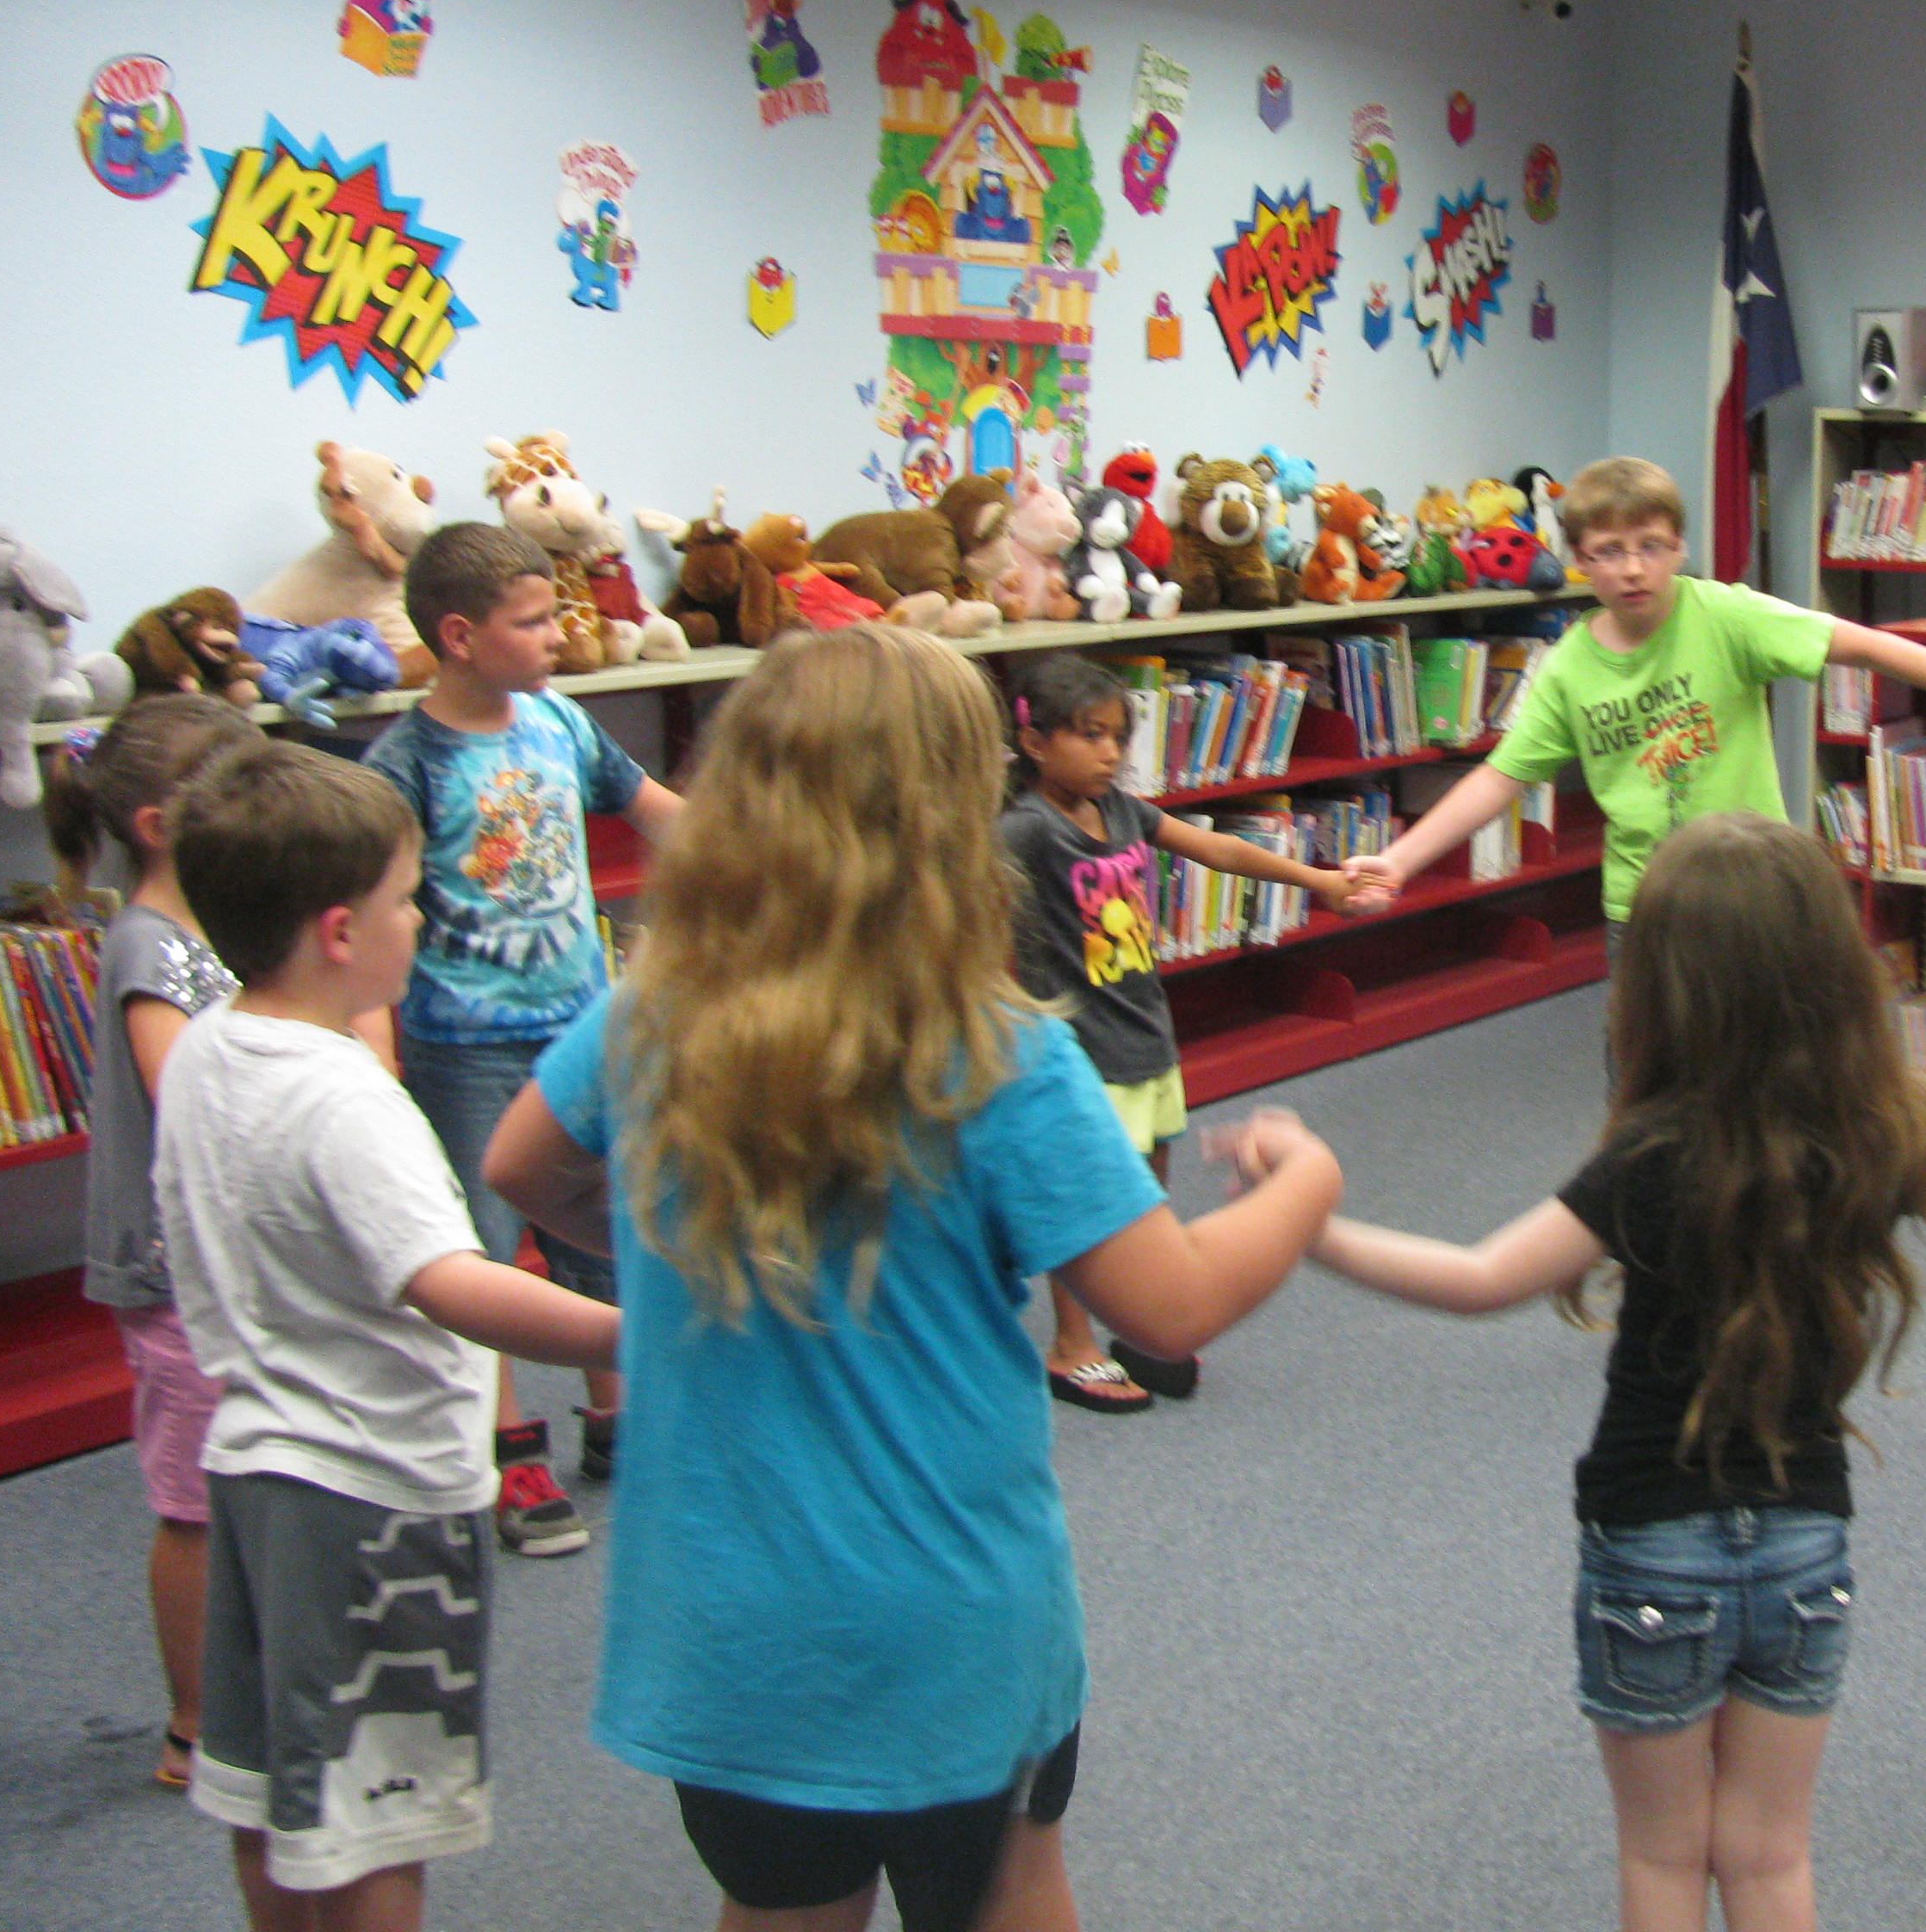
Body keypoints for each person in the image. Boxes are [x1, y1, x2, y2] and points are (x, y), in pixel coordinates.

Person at [480, 624, 1346, 1932]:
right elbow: (1171, 1306)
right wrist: (1307, 1181)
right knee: (1006, 1891)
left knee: (778, 1906)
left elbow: (521, 1170)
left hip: (727, 1619)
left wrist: (680, 1251)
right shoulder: (994, 1050)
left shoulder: (648, 1013)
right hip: (944, 1614)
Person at [1269, 811, 1926, 1932]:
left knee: (1663, 1858)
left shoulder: (1650, 1155)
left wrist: (1309, 1228)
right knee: (1769, 1856)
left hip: (1651, 1539)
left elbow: (1479, 1278)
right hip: (1805, 1545)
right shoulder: (1878, 1133)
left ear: (1657, 990)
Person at [155, 742, 620, 1932]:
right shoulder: (346, 1096)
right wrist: (643, 1335)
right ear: (338, 933)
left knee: (273, 1793)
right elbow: (451, 1283)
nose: (422, 919)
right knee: (381, 1823)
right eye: (408, 899)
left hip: (254, 1470)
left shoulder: (204, 1050)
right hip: (376, 1501)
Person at [1343, 455, 1926, 935]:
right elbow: (1501, 778)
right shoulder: (1570, 664)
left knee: (1768, 1072)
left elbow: (1865, 645)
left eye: (1651, 546)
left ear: (1679, 547)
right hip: (1646, 906)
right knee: (1650, 1080)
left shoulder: (1725, 616)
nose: (1633, 568)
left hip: (1753, 893)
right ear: (1579, 561)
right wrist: (1399, 861)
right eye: (1610, 551)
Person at [362, 522, 683, 1556]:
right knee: (486, 1247)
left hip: (583, 1028)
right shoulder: (404, 765)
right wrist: (377, 1061)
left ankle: (616, 1414)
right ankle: (508, 1446)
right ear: (460, 636)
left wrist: (765, 859)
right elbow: (371, 913)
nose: (558, 636)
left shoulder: (560, 723)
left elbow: (657, 810)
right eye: (535, 621)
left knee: (609, 1220)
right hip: (467, 1047)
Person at [1000, 651, 1380, 1412]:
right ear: (1035, 743)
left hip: (1142, 1026)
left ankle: (1142, 1319)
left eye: (1118, 737)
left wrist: (1319, 881)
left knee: (1142, 1187)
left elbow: (1220, 849)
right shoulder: (1026, 830)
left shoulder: (1122, 812)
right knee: (1087, 1198)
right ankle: (1072, 1346)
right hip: (1078, 1046)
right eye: (1089, 736)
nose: (1110, 753)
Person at [47, 692, 264, 1789]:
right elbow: (186, 1096)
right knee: (194, 1504)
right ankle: (194, 1723)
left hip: (229, 1260)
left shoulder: (210, 926)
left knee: (243, 1485)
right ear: (160, 826)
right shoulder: (150, 943)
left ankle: (244, 1688)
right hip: (178, 1272)